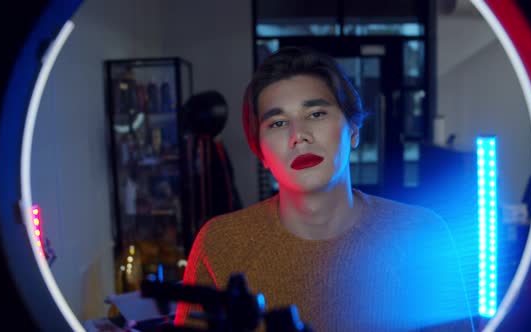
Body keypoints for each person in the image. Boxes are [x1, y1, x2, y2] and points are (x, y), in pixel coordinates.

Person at [175, 47, 474, 332]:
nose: (299, 136)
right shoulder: (221, 244)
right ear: (262, 153)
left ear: (353, 131)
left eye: (316, 114)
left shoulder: (423, 234)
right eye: (278, 123)